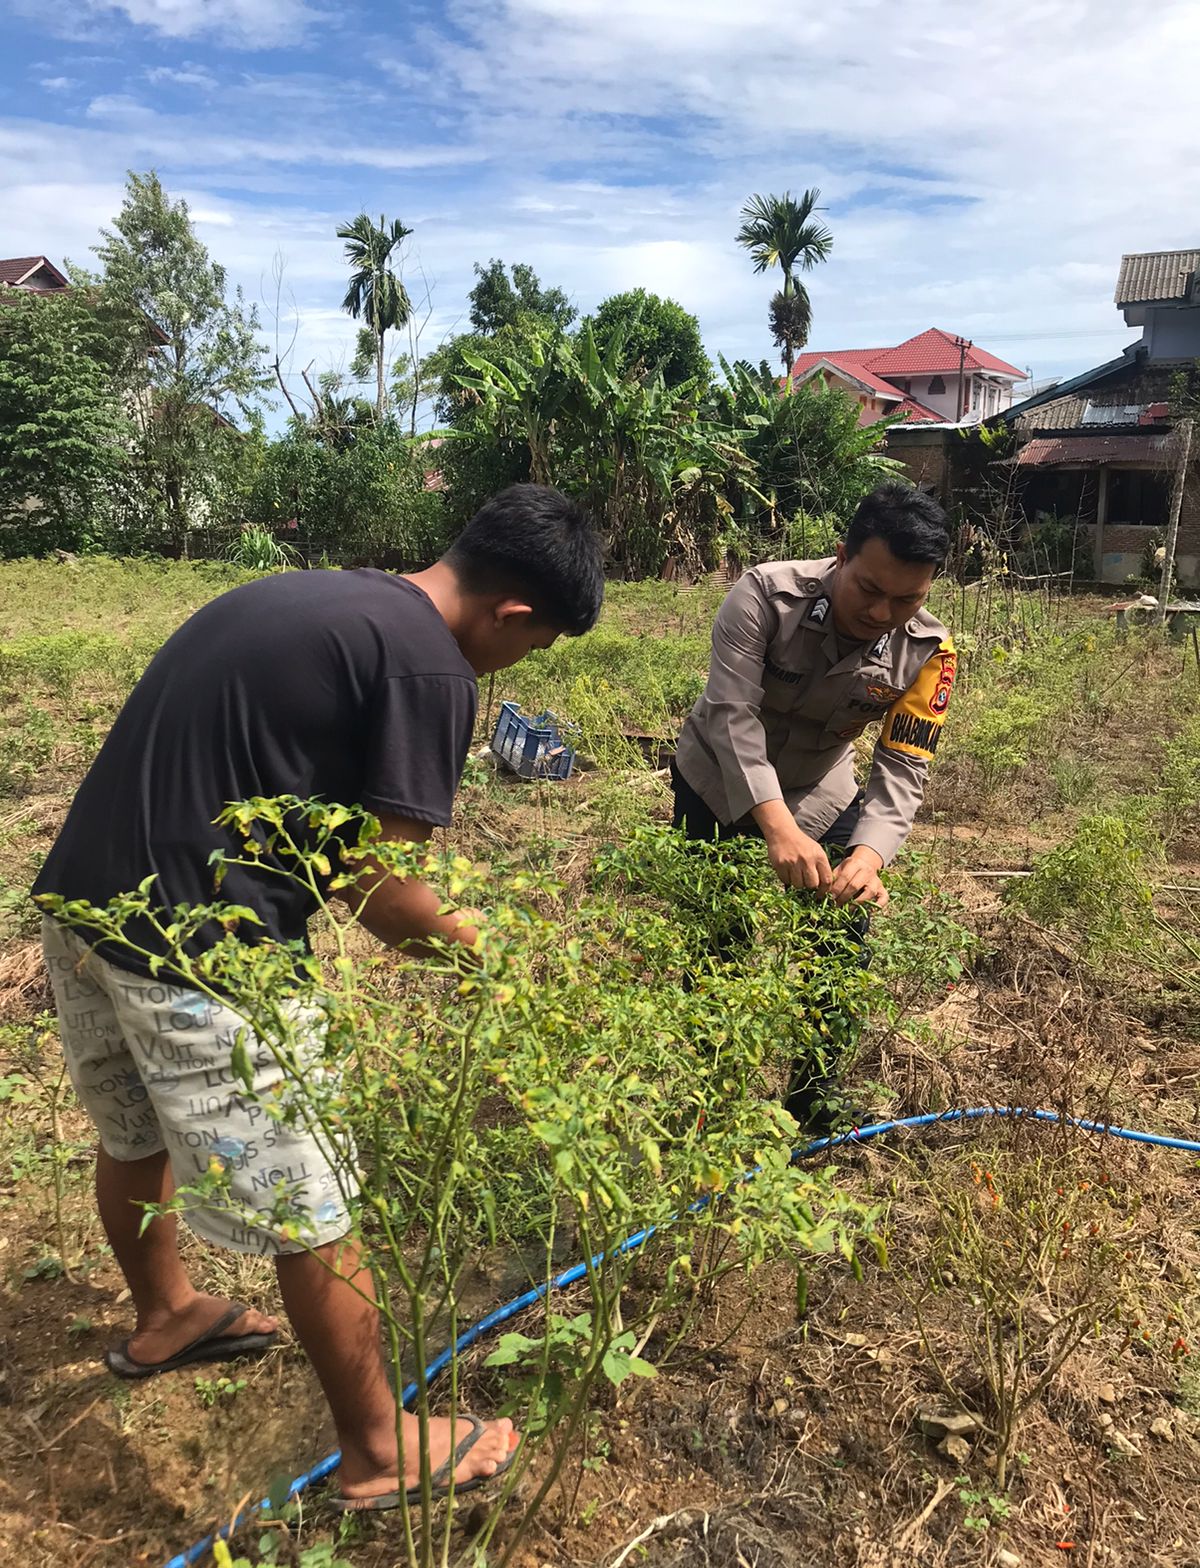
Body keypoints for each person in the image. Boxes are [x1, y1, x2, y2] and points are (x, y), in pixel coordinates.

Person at [33, 484, 604, 1510]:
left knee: (134, 1132)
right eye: (537, 644)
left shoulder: (316, 594)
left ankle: (165, 1315)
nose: (521, 661)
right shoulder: (430, 664)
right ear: (514, 613)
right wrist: (505, 962)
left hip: (86, 909)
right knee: (315, 1202)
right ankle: (381, 1448)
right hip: (206, 951)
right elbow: (382, 891)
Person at [671, 481, 955, 1119]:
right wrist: (776, 828)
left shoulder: (929, 653)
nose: (882, 613)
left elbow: (904, 763)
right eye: (869, 589)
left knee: (842, 940)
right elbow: (731, 716)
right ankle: (703, 1094)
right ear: (842, 556)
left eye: (907, 599)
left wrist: (870, 857)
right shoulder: (764, 597)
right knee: (718, 935)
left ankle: (814, 1101)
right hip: (716, 778)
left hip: (820, 787)